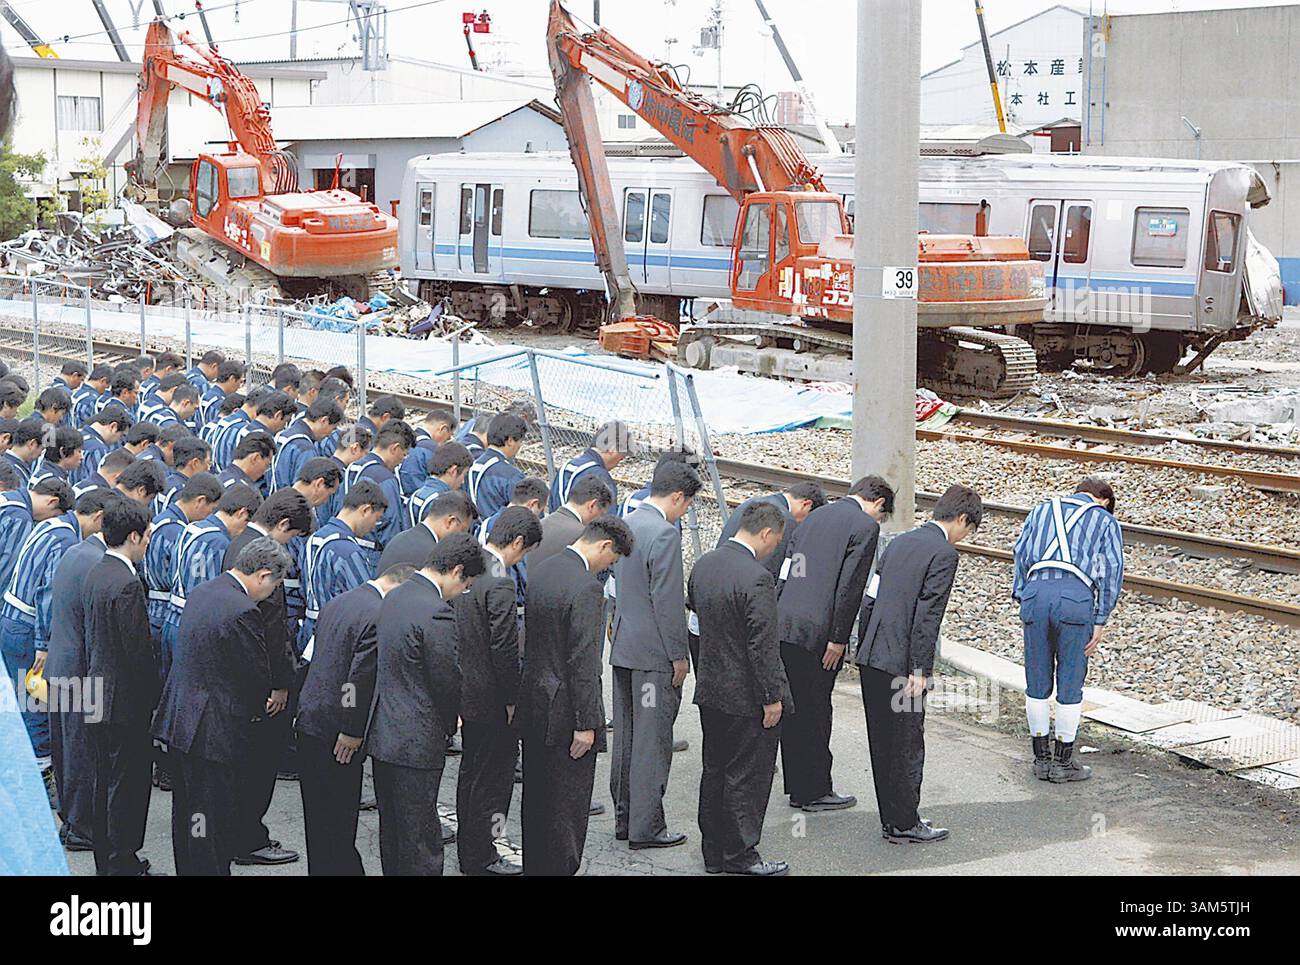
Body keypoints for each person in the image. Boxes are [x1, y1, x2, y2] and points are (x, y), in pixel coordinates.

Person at [153, 538, 295, 875]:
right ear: (262, 575)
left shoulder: (204, 591)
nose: (272, 591)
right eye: (274, 584)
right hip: (213, 730)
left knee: (188, 813)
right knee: (211, 818)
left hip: (181, 720)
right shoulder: (243, 610)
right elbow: (255, 675)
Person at [856, 484, 979, 845]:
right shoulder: (943, 554)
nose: (964, 537)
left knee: (882, 740)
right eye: (968, 529)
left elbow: (870, 598)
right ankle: (906, 820)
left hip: (873, 657)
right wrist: (920, 671)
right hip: (902, 666)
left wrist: (864, 646)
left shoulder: (900, 542)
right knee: (908, 741)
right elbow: (928, 617)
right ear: (961, 519)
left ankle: (890, 818)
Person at [521, 515, 632, 876]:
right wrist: (587, 724)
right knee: (567, 809)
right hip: (567, 712)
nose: (607, 568)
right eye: (611, 560)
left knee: (537, 800)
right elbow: (583, 662)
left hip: (535, 703)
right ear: (603, 546)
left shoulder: (543, 569)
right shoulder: (586, 588)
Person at [369, 533, 485, 875]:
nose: (462, 593)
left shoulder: (395, 596)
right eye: (465, 585)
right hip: (417, 739)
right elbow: (446, 680)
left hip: (384, 732)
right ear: (457, 571)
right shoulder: (437, 613)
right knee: (421, 836)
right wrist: (452, 723)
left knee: (393, 831)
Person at [776, 475, 893, 813]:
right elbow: (850, 587)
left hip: (786, 622)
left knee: (794, 708)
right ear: (878, 504)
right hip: (819, 633)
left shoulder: (813, 516)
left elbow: (787, 568)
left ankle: (797, 786)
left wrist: (779, 609)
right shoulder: (864, 527)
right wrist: (838, 638)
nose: (879, 521)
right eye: (882, 515)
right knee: (816, 710)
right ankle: (814, 790)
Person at [686, 500, 791, 876]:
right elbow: (762, 646)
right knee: (746, 777)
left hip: (711, 690)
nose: (774, 549)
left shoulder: (704, 565)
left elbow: (696, 626)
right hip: (746, 697)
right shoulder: (757, 578)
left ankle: (713, 853)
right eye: (775, 541)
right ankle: (741, 855)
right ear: (766, 533)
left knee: (714, 770)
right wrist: (772, 697)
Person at [296, 563, 412, 875]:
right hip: (337, 730)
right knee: (339, 817)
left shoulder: (339, 602)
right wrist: (352, 729)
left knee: (317, 818)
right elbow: (358, 678)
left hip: (311, 718)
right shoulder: (377, 614)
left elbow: (312, 657)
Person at [609, 459, 700, 850]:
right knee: (652, 741)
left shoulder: (626, 524)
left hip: (626, 647)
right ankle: (647, 826)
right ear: (677, 497)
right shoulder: (664, 534)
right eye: (687, 505)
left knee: (627, 737)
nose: (685, 513)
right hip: (653, 656)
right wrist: (679, 656)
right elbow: (667, 601)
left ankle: (625, 817)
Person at [222, 489, 314, 866]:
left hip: (241, 674)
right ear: (281, 525)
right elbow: (273, 630)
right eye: (291, 536)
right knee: (259, 765)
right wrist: (280, 683)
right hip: (263, 680)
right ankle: (248, 838)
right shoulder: (265, 556)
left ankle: (238, 832)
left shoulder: (238, 542)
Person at [1013, 477, 1124, 784]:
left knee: (1036, 681)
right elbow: (1111, 569)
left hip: (1036, 594)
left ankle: (1040, 760)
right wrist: (1101, 617)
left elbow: (1020, 553)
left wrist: (1024, 594)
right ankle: (1063, 763)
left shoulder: (1040, 509)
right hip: (1075, 598)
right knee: (1070, 682)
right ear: (1102, 500)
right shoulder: (1103, 519)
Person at [456, 506, 542, 876]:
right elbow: (504, 647)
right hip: (492, 697)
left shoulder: (469, 567)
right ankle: (484, 855)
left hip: (466, 690)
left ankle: (468, 850)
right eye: (525, 552)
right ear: (518, 542)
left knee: (470, 773)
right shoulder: (501, 581)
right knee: (494, 781)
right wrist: (512, 699)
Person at [0, 486, 105, 771]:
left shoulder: (50, 525)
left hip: (11, 617)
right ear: (97, 518)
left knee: (19, 700)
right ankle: (40, 774)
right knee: (35, 704)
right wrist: (44, 644)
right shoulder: (66, 541)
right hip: (27, 626)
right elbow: (48, 594)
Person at [83, 497, 159, 875]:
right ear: (133, 536)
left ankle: (108, 858)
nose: (148, 544)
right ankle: (121, 861)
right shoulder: (128, 584)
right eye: (146, 537)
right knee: (126, 786)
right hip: (123, 701)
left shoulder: (97, 571)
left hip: (96, 691)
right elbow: (138, 654)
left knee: (104, 782)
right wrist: (154, 700)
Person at [45, 492, 117, 851]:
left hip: (61, 662)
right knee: (83, 753)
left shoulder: (76, 551)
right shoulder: (97, 562)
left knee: (67, 750)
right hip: (80, 670)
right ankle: (82, 826)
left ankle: (73, 821)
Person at [158, 483, 260, 679]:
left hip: (171, 618)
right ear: (241, 513)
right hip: (195, 628)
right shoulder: (219, 541)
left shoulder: (192, 527)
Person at [298, 479, 387, 651]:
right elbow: (364, 605)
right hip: (335, 637)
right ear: (365, 510)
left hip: (308, 630)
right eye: (376, 519)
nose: (372, 528)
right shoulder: (348, 550)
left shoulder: (315, 538)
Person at [341, 421, 415, 572]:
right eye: (404, 455)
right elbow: (391, 527)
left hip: (347, 544)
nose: (402, 461)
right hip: (373, 554)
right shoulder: (386, 479)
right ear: (395, 448)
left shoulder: (353, 467)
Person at [716, 482, 827, 579]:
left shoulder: (751, 503)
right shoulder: (785, 520)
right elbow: (770, 569)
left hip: (720, 571)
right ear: (806, 505)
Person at [378, 489, 475, 576]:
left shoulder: (399, 538)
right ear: (451, 522)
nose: (461, 537)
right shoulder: (434, 556)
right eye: (462, 530)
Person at [528, 473, 613, 566]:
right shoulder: (583, 536)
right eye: (601, 514)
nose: (599, 518)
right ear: (592, 505)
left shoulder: (541, 523)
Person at [546, 420, 628, 512]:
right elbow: (608, 521)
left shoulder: (568, 466)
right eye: (622, 456)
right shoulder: (600, 476)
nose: (619, 462)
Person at [270, 399, 345, 493]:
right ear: (324, 420)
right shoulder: (306, 449)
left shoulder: (283, 434)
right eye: (332, 428)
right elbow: (304, 492)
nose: (330, 433)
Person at [465, 412, 528, 519]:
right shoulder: (512, 476)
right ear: (510, 441)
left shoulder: (472, 466)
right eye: (520, 441)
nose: (520, 446)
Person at [406, 441, 473, 528]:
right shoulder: (443, 501)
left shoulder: (416, 495)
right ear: (453, 471)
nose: (463, 481)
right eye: (464, 474)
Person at [398, 409, 457, 497]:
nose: (445, 442)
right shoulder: (432, 449)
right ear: (443, 429)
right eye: (448, 438)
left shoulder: (405, 438)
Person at [75, 410, 128, 488]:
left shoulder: (77, 434)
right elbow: (99, 485)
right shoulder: (98, 449)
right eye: (120, 436)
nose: (118, 440)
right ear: (113, 426)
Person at [71, 365, 111, 430]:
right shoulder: (91, 399)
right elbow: (88, 426)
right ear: (103, 380)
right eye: (107, 387)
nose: (105, 391)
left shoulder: (77, 392)